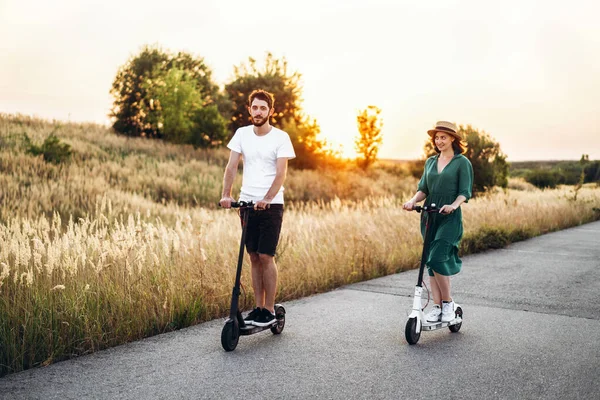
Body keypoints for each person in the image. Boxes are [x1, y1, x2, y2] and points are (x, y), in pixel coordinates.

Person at [219, 89, 296, 327]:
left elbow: (281, 173)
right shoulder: (242, 134)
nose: (259, 111)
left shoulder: (281, 137)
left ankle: (270, 310)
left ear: (271, 111)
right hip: (247, 204)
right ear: (249, 109)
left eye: (263, 108)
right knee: (252, 256)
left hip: (271, 206)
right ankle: (258, 307)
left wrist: (267, 197)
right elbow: (232, 166)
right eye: (255, 107)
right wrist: (227, 195)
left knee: (266, 255)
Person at [402, 121, 473, 323]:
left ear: (453, 139)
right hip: (430, 215)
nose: (439, 141)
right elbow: (424, 188)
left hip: (449, 217)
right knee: (431, 264)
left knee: (437, 258)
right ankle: (436, 307)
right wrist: (412, 201)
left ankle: (448, 304)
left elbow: (464, 192)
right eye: (437, 137)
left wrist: (454, 205)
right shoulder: (430, 162)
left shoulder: (462, 162)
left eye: (443, 137)